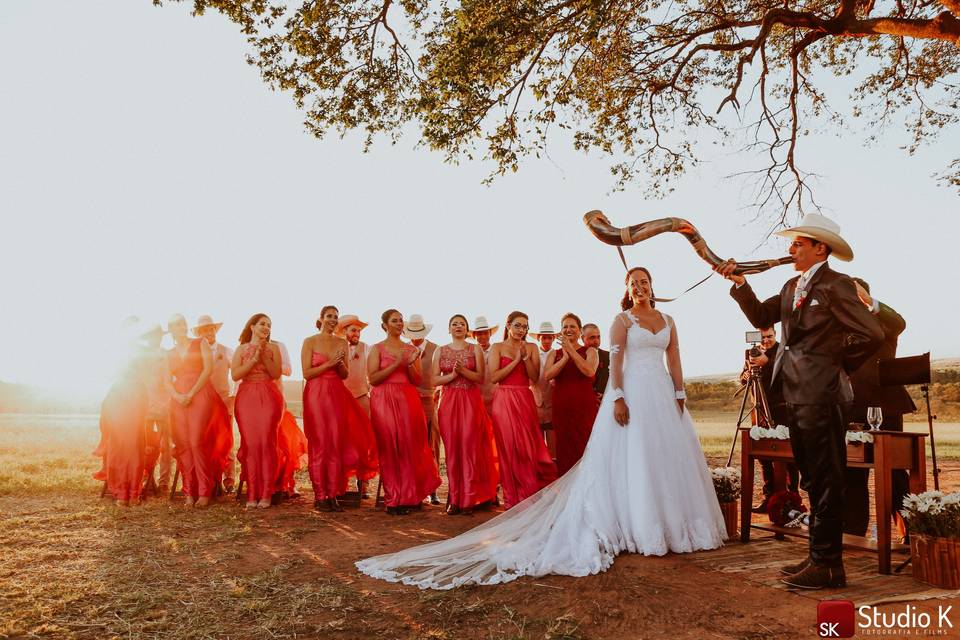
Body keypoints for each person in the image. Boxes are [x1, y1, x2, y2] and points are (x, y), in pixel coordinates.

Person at [355, 268, 726, 589]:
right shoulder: (621, 320)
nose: (640, 287)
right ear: (627, 289)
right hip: (632, 392)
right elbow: (616, 363)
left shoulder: (668, 320)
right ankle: (639, 526)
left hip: (661, 391)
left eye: (645, 281)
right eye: (634, 283)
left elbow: (674, 355)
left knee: (666, 455)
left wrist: (679, 390)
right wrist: (617, 396)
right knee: (637, 455)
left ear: (653, 285)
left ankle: (675, 524)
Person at [717, 212, 884, 589]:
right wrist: (741, 284)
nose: (791, 248)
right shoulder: (793, 285)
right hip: (794, 393)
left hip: (824, 394)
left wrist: (835, 365)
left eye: (798, 243)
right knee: (812, 477)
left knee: (827, 478)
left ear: (820, 247)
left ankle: (827, 565)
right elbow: (762, 315)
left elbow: (872, 333)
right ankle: (819, 559)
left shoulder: (837, 284)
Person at [842, 279, 916, 540]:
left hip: (887, 406)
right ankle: (853, 530)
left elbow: (899, 322)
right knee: (852, 472)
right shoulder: (841, 326)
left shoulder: (884, 323)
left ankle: (910, 530)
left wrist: (869, 303)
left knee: (895, 472)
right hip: (851, 409)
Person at [302, 306, 379, 512]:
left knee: (335, 442)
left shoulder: (341, 342)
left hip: (336, 392)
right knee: (320, 444)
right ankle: (320, 496)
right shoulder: (309, 341)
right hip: (316, 393)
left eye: (335, 317)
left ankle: (334, 494)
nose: (333, 320)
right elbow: (307, 373)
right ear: (321, 318)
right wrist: (329, 365)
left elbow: (344, 374)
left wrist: (338, 364)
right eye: (329, 316)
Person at [367, 309, 442, 515]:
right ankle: (393, 499)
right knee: (390, 446)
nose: (400, 324)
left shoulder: (411, 349)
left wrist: (410, 365)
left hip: (408, 398)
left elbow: (416, 379)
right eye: (395, 321)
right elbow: (373, 379)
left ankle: (409, 496)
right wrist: (395, 364)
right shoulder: (377, 349)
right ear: (385, 325)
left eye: (401, 320)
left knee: (409, 446)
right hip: (384, 398)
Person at [487, 311, 558, 508]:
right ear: (508, 325)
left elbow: (534, 378)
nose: (521, 330)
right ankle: (511, 496)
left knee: (527, 446)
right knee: (508, 446)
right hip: (504, 399)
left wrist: (525, 358)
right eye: (517, 325)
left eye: (524, 326)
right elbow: (494, 377)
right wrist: (516, 360)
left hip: (524, 398)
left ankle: (529, 492)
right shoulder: (497, 347)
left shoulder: (532, 347)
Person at [432, 314, 499, 515]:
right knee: (452, 449)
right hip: (449, 401)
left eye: (462, 324)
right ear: (449, 329)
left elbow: (480, 377)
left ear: (467, 329)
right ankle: (454, 499)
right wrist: (452, 375)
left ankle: (469, 498)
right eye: (454, 324)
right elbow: (434, 379)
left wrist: (463, 372)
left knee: (469, 447)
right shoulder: (440, 350)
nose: (458, 326)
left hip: (470, 399)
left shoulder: (474, 349)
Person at [165, 313, 232, 507]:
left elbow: (208, 369)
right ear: (171, 330)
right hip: (178, 399)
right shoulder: (169, 353)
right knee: (184, 444)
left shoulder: (199, 343)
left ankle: (204, 490)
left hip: (201, 394)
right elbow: (166, 380)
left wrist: (192, 392)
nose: (181, 327)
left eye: (183, 323)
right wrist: (177, 396)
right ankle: (189, 492)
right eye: (176, 324)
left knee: (196, 441)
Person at [737, 326, 799, 513]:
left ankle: (792, 498)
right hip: (759, 410)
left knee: (788, 458)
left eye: (769, 336)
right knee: (763, 457)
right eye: (762, 337)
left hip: (781, 410)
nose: (765, 341)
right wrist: (746, 375)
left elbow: (789, 375)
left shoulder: (784, 349)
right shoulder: (751, 352)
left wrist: (767, 362)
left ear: (775, 334)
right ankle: (769, 498)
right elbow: (742, 377)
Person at [232, 313, 284, 509]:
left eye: (269, 325)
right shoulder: (241, 349)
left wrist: (262, 356)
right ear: (252, 327)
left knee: (266, 442)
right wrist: (252, 361)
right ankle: (252, 493)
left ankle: (266, 493)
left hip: (268, 394)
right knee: (251, 444)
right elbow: (235, 374)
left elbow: (276, 373)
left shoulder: (273, 348)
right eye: (262, 324)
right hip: (246, 396)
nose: (266, 327)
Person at [543, 313, 599, 475]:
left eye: (572, 326)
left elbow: (589, 371)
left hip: (584, 406)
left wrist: (572, 352)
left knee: (586, 443)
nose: (568, 329)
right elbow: (547, 375)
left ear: (580, 331)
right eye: (565, 326)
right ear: (561, 331)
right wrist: (564, 357)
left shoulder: (590, 351)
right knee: (564, 447)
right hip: (562, 407)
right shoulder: (554, 354)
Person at [95, 357, 149, 506]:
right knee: (129, 458)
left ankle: (127, 495)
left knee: (127, 459)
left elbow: (106, 409)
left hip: (127, 427)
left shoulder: (128, 386)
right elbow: (108, 408)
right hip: (126, 428)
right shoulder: (129, 386)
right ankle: (128, 495)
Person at [193, 315, 236, 492]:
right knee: (205, 441)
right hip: (203, 405)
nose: (209, 332)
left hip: (224, 401)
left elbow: (237, 375)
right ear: (200, 333)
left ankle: (230, 478)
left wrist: (233, 395)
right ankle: (211, 479)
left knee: (226, 441)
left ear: (215, 330)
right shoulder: (195, 353)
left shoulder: (226, 351)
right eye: (204, 330)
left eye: (211, 329)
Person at [405, 314, 442, 506]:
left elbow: (442, 374)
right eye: (411, 333)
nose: (413, 337)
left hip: (429, 402)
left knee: (431, 445)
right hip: (409, 402)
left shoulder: (436, 349)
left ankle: (433, 490)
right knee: (412, 447)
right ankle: (415, 490)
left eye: (416, 333)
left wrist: (437, 392)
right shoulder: (405, 349)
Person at [338, 313, 373, 497]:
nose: (357, 333)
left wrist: (370, 392)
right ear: (344, 331)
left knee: (363, 440)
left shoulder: (367, 348)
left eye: (359, 330)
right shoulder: (337, 347)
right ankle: (342, 482)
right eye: (353, 330)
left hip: (361, 397)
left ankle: (363, 482)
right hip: (342, 399)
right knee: (343, 441)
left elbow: (371, 373)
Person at [140, 324, 172, 493]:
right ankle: (147, 478)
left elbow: (169, 378)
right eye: (153, 335)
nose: (156, 338)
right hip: (144, 403)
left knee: (166, 444)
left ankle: (164, 481)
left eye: (159, 335)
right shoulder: (141, 355)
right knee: (146, 443)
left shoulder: (165, 354)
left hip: (163, 403)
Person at [529, 321, 558, 457]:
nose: (546, 340)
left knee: (553, 444)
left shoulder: (558, 354)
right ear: (538, 338)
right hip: (535, 403)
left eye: (549, 337)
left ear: (553, 338)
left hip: (553, 403)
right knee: (538, 444)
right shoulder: (532, 354)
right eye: (543, 337)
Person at [469, 316, 499, 416]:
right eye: (479, 334)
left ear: (490, 334)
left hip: (496, 397)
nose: (483, 336)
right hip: (475, 397)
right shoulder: (470, 353)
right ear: (474, 336)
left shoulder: (497, 351)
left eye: (485, 333)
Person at [582, 323, 609, 404]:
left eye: (598, 337)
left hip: (605, 403)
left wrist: (605, 394)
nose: (596, 341)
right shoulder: (577, 356)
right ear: (582, 338)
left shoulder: (609, 356)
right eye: (592, 337)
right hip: (583, 401)